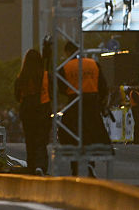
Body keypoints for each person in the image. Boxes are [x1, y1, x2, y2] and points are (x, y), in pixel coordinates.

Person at [58, 41, 111, 176]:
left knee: (70, 136)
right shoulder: (93, 64)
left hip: (74, 104)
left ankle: (75, 167)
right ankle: (90, 165)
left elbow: (61, 88)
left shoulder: (65, 67)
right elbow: (103, 86)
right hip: (92, 105)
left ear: (68, 52)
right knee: (91, 137)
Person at [14, 49, 49, 174]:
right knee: (41, 139)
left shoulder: (22, 77)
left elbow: (17, 96)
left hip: (27, 109)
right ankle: (41, 165)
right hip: (42, 108)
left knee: (30, 139)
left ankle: (31, 165)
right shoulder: (45, 75)